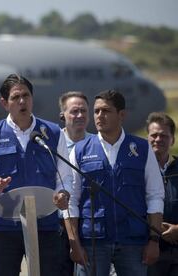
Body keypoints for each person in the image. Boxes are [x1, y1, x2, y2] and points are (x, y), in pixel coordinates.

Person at [0, 74, 73, 276]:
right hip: (3, 228)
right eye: (16, 97)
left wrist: (63, 194)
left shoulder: (53, 133)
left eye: (26, 96)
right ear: (4, 103)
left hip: (45, 225)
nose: (22, 101)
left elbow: (65, 178)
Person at [66, 90, 165, 276]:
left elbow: (155, 195)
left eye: (105, 111)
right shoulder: (79, 151)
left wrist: (154, 240)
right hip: (93, 243)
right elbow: (71, 201)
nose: (99, 116)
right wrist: (74, 243)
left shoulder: (142, 149)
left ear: (122, 115)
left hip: (133, 243)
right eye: (96, 111)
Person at [58, 91, 91, 276]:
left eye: (84, 111)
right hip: (57, 228)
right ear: (62, 115)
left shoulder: (97, 144)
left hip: (87, 225)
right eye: (74, 111)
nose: (80, 116)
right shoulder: (51, 144)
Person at [146, 112, 178, 276]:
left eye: (164, 136)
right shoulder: (137, 171)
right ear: (147, 138)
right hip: (149, 250)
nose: (158, 139)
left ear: (172, 139)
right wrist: (157, 229)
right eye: (154, 135)